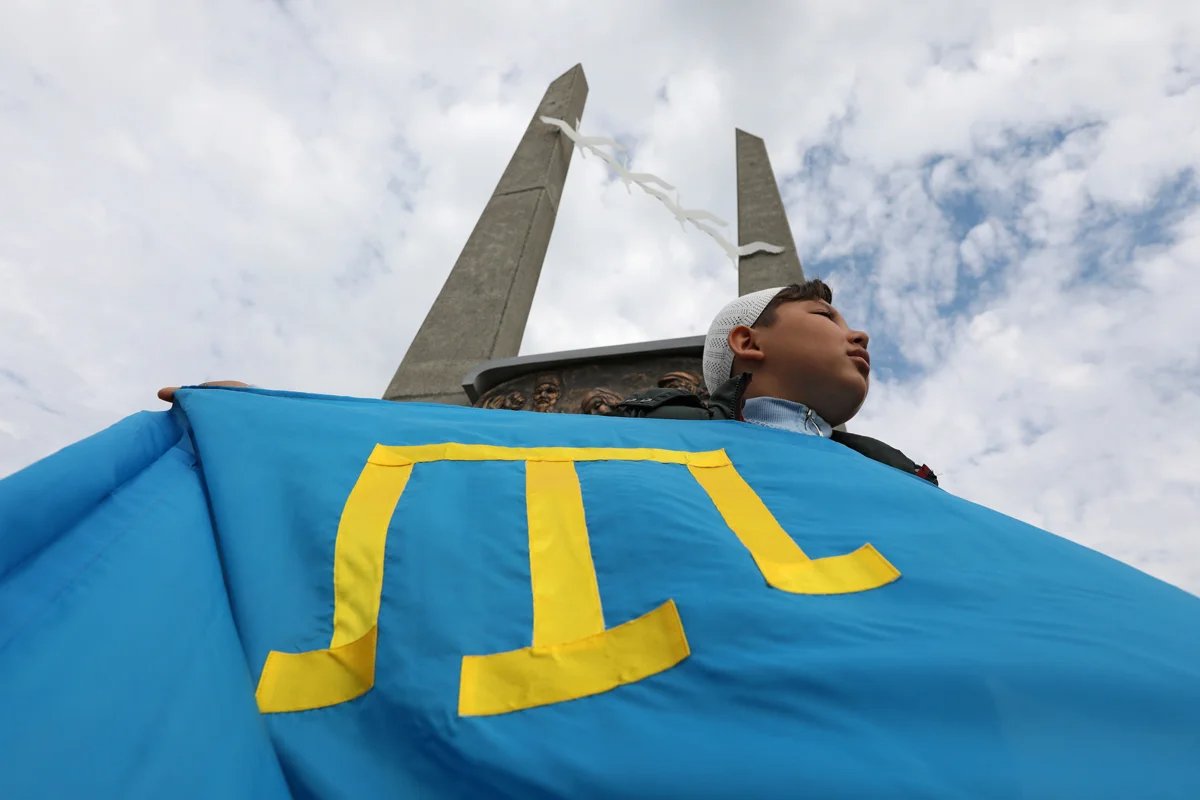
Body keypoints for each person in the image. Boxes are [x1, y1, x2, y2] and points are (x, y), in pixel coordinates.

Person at [611, 280, 938, 485]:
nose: (860, 335)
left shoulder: (898, 471)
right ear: (748, 343)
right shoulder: (650, 431)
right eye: (825, 317)